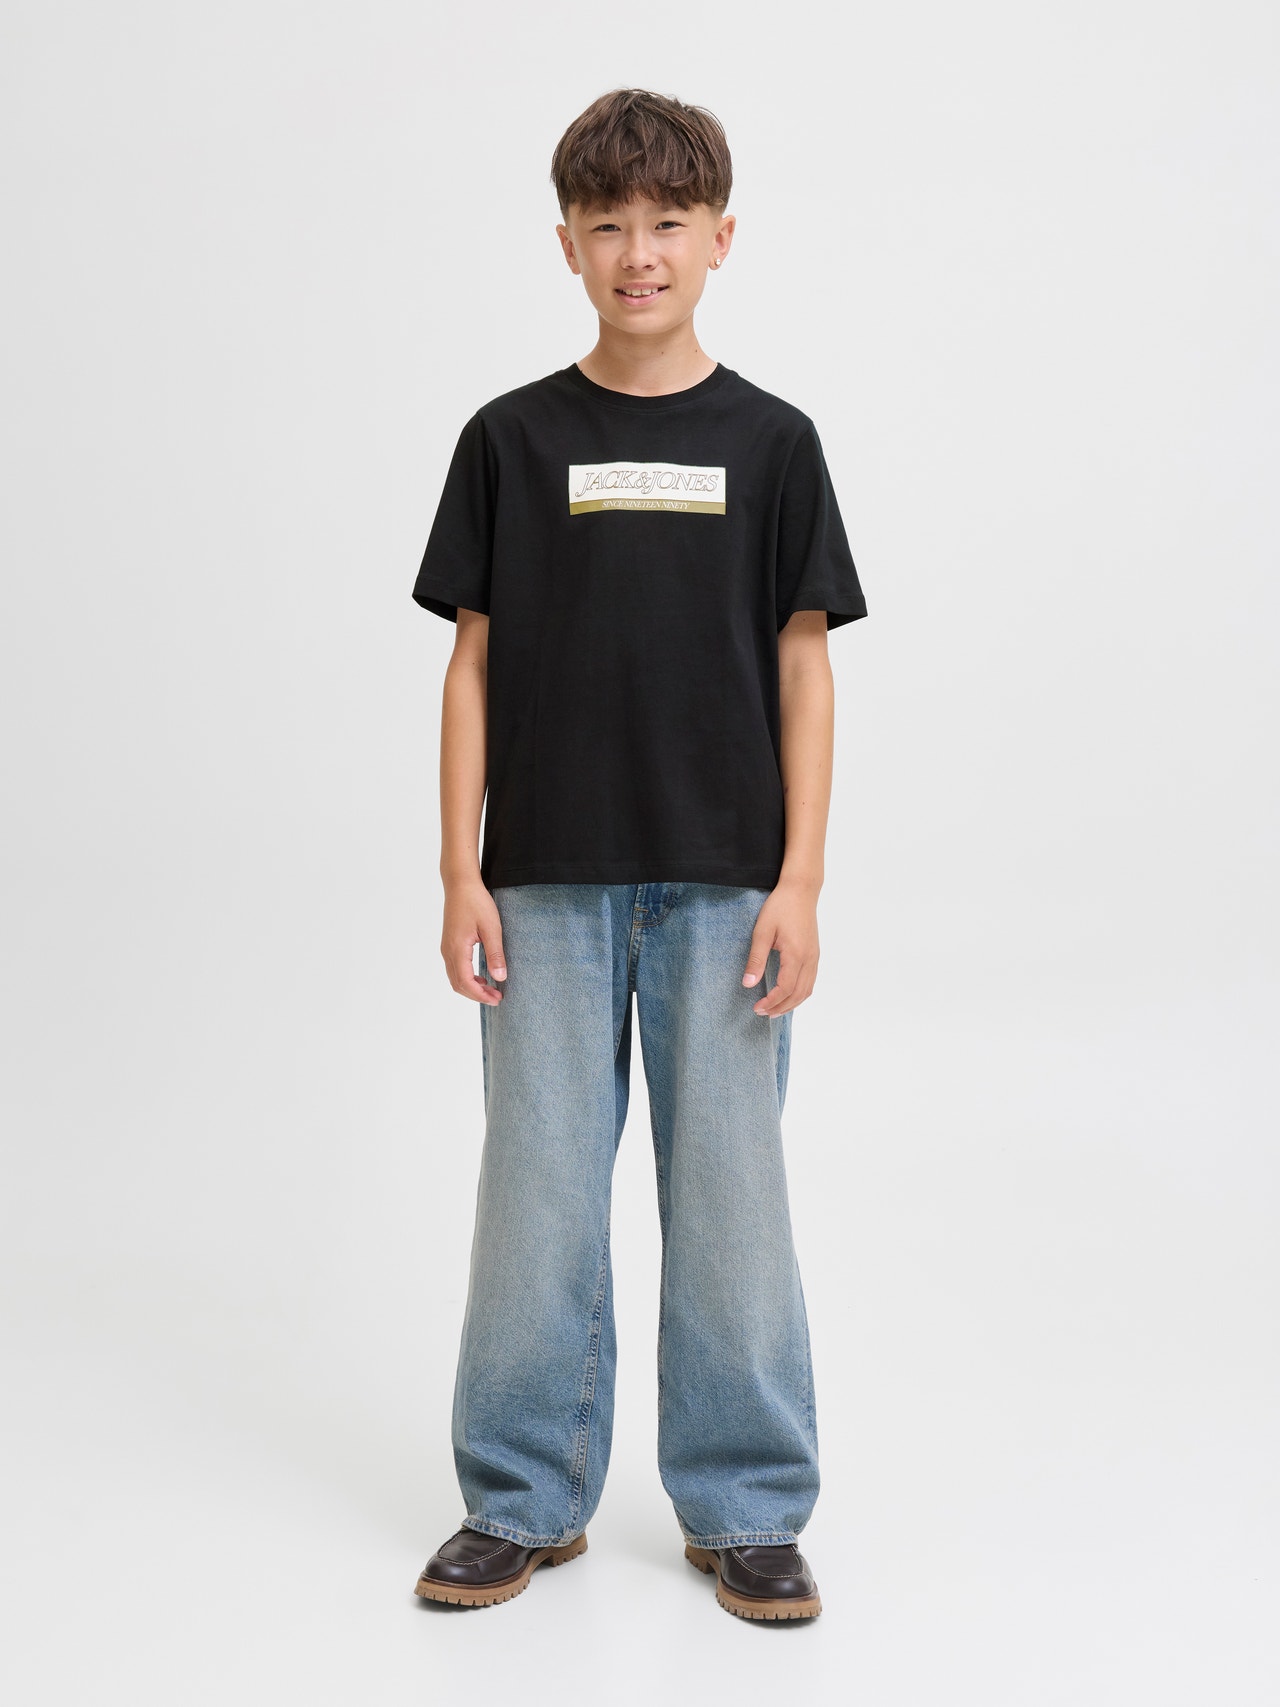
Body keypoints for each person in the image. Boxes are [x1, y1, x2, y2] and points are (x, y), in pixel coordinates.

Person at [408, 88, 867, 1622]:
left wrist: (802, 880)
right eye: (607, 224)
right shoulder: (512, 438)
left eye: (669, 222)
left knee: (732, 1202)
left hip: (728, 884)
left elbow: (805, 666)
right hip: (543, 881)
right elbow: (472, 663)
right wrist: (461, 871)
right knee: (535, 1197)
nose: (639, 252)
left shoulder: (774, 444)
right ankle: (519, 1497)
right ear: (567, 245)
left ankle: (748, 1508)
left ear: (722, 238)